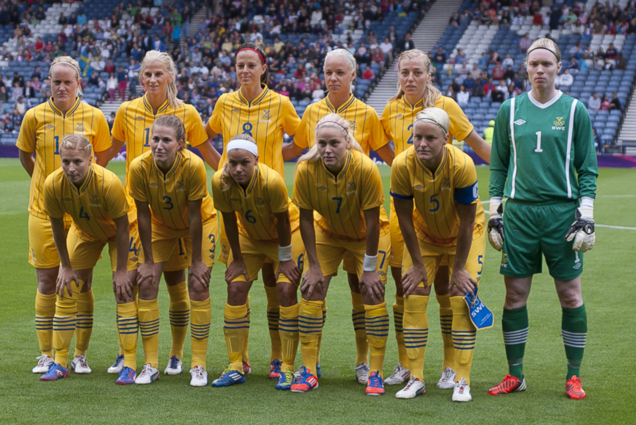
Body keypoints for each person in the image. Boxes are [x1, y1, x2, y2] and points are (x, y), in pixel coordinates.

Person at [487, 38, 598, 400]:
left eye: (546, 64)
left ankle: (574, 376)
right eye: (534, 64)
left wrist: (587, 212)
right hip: (519, 213)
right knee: (515, 294)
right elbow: (499, 164)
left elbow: (588, 168)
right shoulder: (510, 108)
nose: (539, 70)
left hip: (561, 214)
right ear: (525, 68)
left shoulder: (575, 109)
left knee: (569, 294)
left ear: (558, 68)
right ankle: (515, 374)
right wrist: (494, 210)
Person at [380, 49, 490, 387]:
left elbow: (478, 146)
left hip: (448, 211)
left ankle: (448, 365)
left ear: (430, 75)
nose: (410, 79)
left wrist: (505, 177)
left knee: (446, 287)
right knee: (406, 287)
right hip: (409, 211)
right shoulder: (390, 109)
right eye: (404, 73)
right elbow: (389, 153)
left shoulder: (448, 108)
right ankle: (406, 364)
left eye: (417, 72)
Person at [285, 48, 394, 385]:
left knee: (361, 289)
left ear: (352, 75)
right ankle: (310, 364)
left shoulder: (367, 114)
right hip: (327, 221)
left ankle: (365, 363)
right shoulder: (312, 112)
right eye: (328, 72)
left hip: (362, 220)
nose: (333, 78)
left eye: (339, 73)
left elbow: (387, 157)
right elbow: (302, 152)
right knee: (313, 284)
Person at [109, 50, 216, 378]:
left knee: (179, 283)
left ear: (171, 76)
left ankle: (178, 354)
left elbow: (208, 155)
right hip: (141, 210)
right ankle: (130, 352)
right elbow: (108, 153)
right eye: (147, 74)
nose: (153, 80)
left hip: (185, 212)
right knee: (135, 282)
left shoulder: (188, 113)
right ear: (140, 78)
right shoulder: (126, 111)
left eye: (159, 74)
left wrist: (243, 182)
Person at [204, 43, 301, 379]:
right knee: (237, 281)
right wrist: (223, 168)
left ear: (263, 69)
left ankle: (278, 359)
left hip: (272, 205)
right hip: (237, 206)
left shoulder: (280, 103)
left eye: (250, 65)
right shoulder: (224, 102)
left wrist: (275, 158)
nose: (244, 70)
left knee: (276, 285)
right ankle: (240, 361)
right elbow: (204, 136)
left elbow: (301, 140)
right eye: (239, 65)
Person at [16, 56, 111, 376]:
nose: (61, 87)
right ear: (49, 83)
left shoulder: (95, 116)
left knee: (81, 283)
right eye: (55, 81)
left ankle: (80, 355)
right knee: (46, 281)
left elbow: (104, 158)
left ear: (79, 83)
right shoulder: (33, 116)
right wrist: (46, 187)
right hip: (43, 212)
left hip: (82, 216)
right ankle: (46, 354)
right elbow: (25, 157)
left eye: (67, 81)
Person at [391, 107, 485, 402]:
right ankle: (416, 378)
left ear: (446, 138)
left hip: (465, 235)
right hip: (425, 235)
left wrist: (458, 269)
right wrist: (418, 264)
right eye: (417, 137)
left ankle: (462, 379)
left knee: (460, 295)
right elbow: (404, 218)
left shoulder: (462, 165)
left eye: (430, 138)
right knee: (414, 294)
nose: (421, 143)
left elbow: (468, 222)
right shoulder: (401, 164)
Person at [40, 134, 139, 384]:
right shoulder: (53, 184)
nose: (71, 168)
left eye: (77, 162)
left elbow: (123, 226)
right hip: (85, 232)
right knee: (67, 287)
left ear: (91, 159)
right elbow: (56, 227)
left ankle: (129, 363)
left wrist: (120, 270)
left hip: (121, 232)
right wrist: (65, 265)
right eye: (65, 162)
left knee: (124, 290)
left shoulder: (108, 182)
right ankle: (61, 362)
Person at [211, 134, 304, 390]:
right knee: (235, 288)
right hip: (249, 235)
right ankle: (235, 366)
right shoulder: (220, 182)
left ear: (256, 161)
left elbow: (284, 221)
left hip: (284, 235)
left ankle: (287, 366)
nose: (238, 169)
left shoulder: (272, 181)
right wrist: (237, 258)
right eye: (232, 163)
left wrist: (285, 260)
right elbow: (229, 219)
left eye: (245, 163)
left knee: (286, 289)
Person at [129, 115, 217, 386]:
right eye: (155, 139)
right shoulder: (138, 166)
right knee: (146, 282)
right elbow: (143, 215)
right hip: (160, 225)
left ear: (181, 144)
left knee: (198, 285)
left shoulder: (194, 165)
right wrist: (147, 259)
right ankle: (151, 364)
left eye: (166, 140)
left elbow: (193, 215)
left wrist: (198, 261)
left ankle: (198, 364)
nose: (159, 145)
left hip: (199, 223)